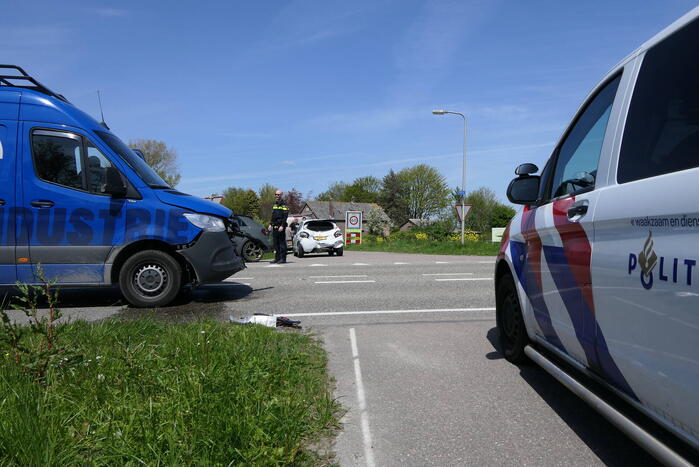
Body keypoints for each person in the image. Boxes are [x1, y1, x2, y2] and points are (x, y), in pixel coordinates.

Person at [268, 190, 289, 263]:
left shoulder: (284, 204)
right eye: (276, 194)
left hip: (280, 226)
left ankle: (283, 259)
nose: (277, 196)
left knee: (282, 243)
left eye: (278, 195)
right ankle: (277, 258)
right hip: (275, 226)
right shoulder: (275, 204)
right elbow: (273, 215)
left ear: (281, 195)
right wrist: (270, 224)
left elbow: (285, 216)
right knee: (275, 243)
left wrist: (282, 225)